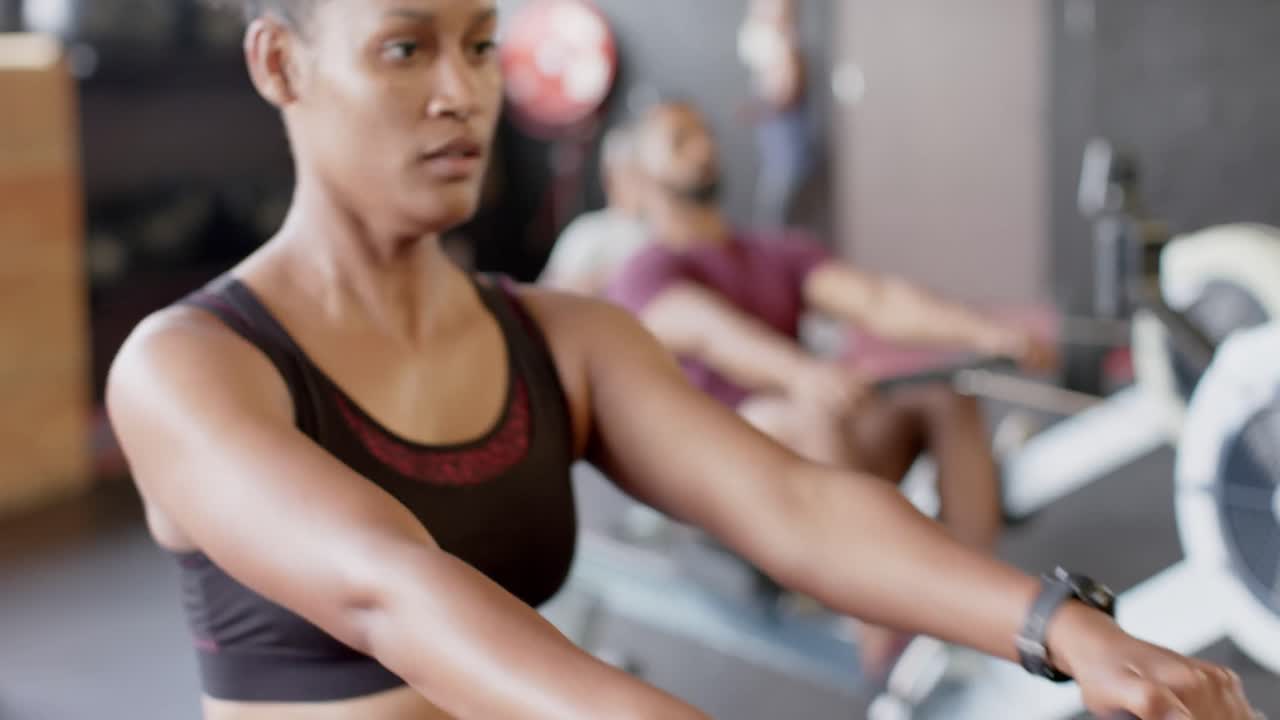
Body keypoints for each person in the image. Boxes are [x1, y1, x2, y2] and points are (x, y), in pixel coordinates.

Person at [104, 2, 1255, 719]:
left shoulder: (565, 337)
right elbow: (391, 592)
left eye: (480, 45)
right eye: (404, 48)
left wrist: (1068, 629)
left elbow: (794, 504)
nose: (460, 93)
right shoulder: (189, 369)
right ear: (280, 62)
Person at [604, 99, 1045, 677]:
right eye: (680, 141)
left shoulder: (775, 251)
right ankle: (880, 638)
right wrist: (801, 373)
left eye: (704, 133)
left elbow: (878, 301)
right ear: (641, 174)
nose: (703, 146)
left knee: (946, 394)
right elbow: (711, 333)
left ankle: (975, 604)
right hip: (730, 479)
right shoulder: (644, 273)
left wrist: (987, 333)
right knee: (806, 413)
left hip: (824, 447)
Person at [538, 124, 650, 295]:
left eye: (644, 174)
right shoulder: (587, 231)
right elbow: (546, 294)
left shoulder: (666, 231)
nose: (640, 184)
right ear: (610, 178)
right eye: (632, 174)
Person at [737, 0, 816, 228]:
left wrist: (758, 108)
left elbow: (787, 94)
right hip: (778, 155)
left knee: (774, 220)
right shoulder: (774, 52)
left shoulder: (787, 49)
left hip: (788, 154)